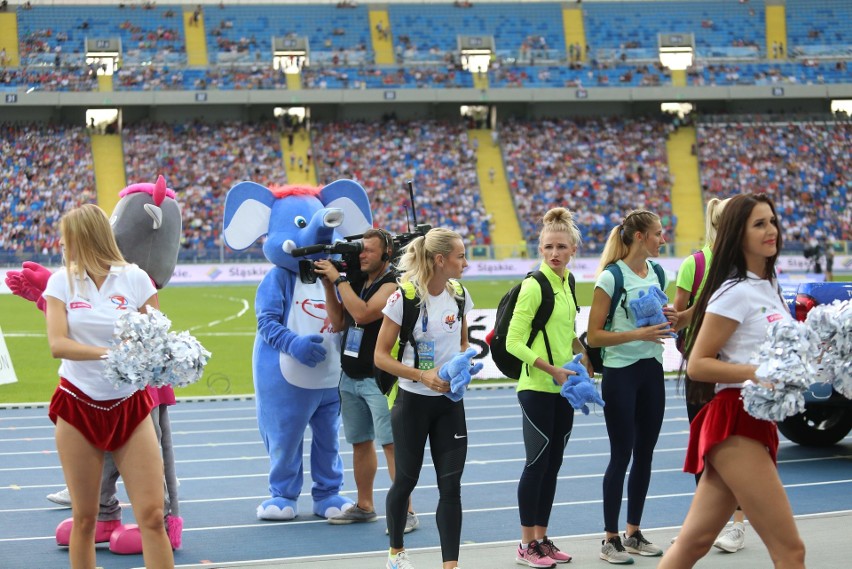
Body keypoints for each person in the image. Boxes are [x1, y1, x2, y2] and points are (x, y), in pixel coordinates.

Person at [660, 193, 806, 568]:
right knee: (791, 551)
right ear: (736, 235)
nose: (771, 230)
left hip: (759, 419)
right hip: (736, 421)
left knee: (693, 544)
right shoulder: (733, 291)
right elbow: (697, 365)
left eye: (772, 221)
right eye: (759, 224)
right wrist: (756, 372)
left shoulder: (769, 286)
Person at [42, 204, 174, 568]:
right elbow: (58, 344)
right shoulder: (61, 282)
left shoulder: (136, 279)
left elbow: (155, 339)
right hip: (77, 404)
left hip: (130, 405)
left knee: (150, 515)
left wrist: (162, 358)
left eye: (67, 239)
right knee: (86, 518)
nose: (63, 246)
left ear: (85, 238)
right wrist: (114, 354)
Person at [375, 227, 473, 569]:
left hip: (449, 405)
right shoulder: (404, 297)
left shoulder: (460, 294)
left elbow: (461, 344)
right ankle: (396, 554)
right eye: (461, 256)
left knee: (451, 487)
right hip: (412, 402)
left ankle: (450, 565)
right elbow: (381, 356)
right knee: (406, 480)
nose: (466, 262)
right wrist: (422, 375)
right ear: (441, 259)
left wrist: (460, 370)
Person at [586, 209, 678, 564]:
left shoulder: (657, 272)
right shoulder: (610, 278)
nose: (663, 239)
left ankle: (634, 532)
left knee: (646, 454)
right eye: (658, 233)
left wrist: (665, 317)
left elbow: (656, 313)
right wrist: (638, 333)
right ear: (639, 236)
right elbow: (595, 334)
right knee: (621, 454)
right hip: (620, 374)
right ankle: (610, 539)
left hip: (652, 369)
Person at [314, 229, 419, 532]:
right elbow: (339, 322)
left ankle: (407, 512)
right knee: (360, 443)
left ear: (386, 254)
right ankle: (364, 506)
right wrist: (327, 286)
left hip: (380, 379)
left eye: (369, 251)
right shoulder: (358, 281)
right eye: (360, 251)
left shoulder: (391, 285)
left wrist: (338, 280)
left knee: (391, 444)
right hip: (351, 375)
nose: (362, 256)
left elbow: (361, 314)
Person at [506, 208, 592, 568]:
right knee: (537, 464)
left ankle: (542, 538)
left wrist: (582, 355)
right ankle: (526, 545)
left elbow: (565, 332)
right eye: (548, 247)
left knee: (553, 465)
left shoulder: (568, 282)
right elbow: (513, 341)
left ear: (573, 249)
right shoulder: (533, 285)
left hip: (563, 389)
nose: (554, 253)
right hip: (536, 387)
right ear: (540, 249)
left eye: (561, 247)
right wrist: (551, 369)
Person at [674, 197, 748, 553]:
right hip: (701, 369)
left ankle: (736, 525)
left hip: (736, 369)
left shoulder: (747, 264)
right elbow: (680, 315)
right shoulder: (696, 264)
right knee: (704, 447)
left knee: (736, 448)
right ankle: (703, 524)